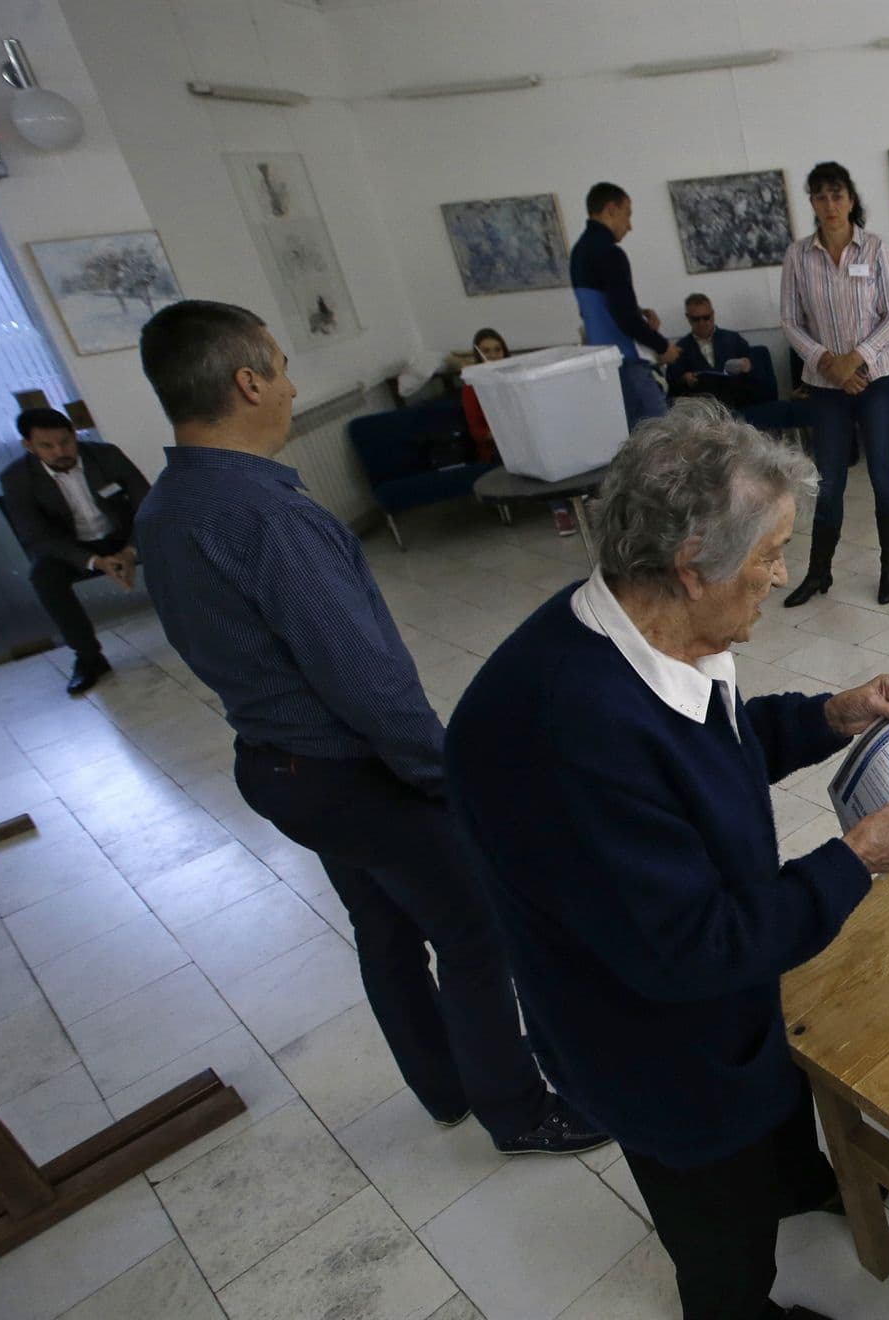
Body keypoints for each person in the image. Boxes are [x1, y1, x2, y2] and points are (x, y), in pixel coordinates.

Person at [445, 400, 889, 1320]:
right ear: (690, 567)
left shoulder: (649, 633)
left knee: (778, 1099)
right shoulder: (570, 732)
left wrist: (830, 716)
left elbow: (709, 747)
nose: (782, 574)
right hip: (656, 1047)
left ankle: (793, 1176)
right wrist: (856, 861)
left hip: (723, 1004)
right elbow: (694, 950)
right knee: (720, 1238)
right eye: (769, 558)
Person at [133, 300, 608, 1157]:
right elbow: (362, 678)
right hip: (351, 772)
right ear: (247, 383)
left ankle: (443, 1084)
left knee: (385, 926)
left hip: (279, 768)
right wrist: (444, 773)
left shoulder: (168, 505)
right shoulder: (270, 515)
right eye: (279, 366)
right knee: (474, 930)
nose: (290, 384)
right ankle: (517, 1109)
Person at [779, 161, 889, 607]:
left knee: (882, 474)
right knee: (828, 480)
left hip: (876, 381)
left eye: (837, 195)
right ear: (811, 203)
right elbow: (791, 322)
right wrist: (827, 363)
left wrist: (856, 358)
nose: (829, 205)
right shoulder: (798, 255)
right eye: (820, 196)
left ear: (851, 199)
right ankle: (819, 573)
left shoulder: (873, 249)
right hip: (825, 386)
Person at [0, 407, 149, 694]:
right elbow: (36, 537)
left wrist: (130, 550)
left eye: (66, 441)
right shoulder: (17, 479)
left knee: (178, 541)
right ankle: (89, 657)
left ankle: (210, 624)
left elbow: (149, 505)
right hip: (71, 548)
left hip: (122, 536)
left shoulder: (106, 456)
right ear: (28, 446)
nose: (60, 451)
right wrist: (94, 562)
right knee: (44, 577)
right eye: (47, 445)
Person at [570, 181, 678, 428]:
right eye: (627, 214)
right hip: (627, 360)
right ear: (611, 209)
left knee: (632, 438)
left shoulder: (579, 252)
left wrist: (637, 311)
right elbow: (624, 316)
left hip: (604, 365)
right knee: (662, 438)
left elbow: (595, 308)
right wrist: (663, 346)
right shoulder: (610, 252)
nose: (629, 225)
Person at [462, 328, 578, 537]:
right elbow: (478, 432)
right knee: (538, 455)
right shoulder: (472, 386)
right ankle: (560, 510)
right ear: (478, 353)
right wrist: (507, 433)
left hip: (528, 436)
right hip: (499, 444)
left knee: (556, 443)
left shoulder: (515, 378)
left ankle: (583, 498)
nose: (493, 355)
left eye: (497, 350)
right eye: (487, 351)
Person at [666, 294, 770, 409]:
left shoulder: (734, 339)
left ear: (713, 314)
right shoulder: (680, 348)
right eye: (696, 319)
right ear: (688, 318)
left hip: (736, 402)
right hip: (702, 407)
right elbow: (672, 386)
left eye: (706, 317)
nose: (702, 323)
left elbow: (759, 377)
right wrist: (684, 379)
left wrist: (748, 367)